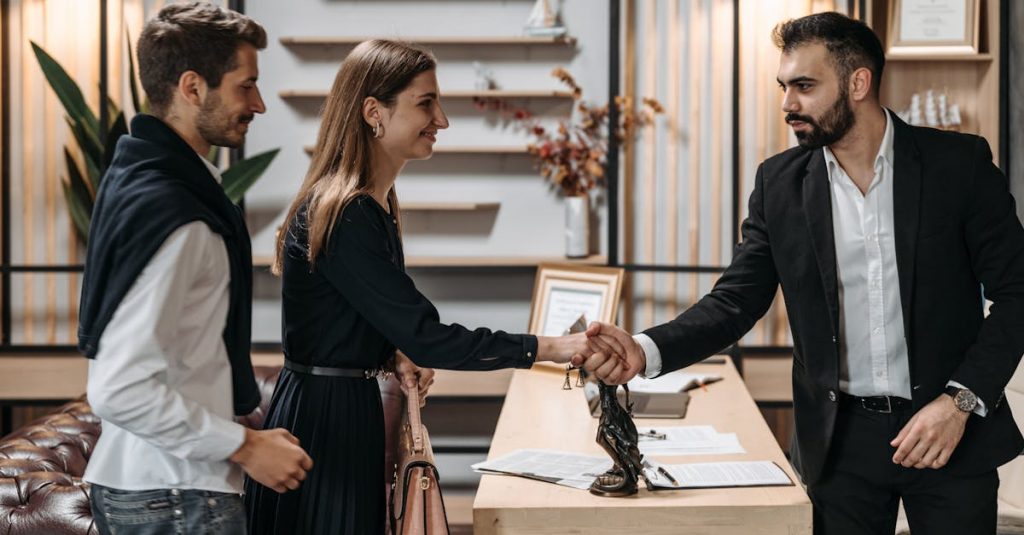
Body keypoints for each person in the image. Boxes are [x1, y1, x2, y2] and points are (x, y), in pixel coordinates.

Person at [576, 11, 1024, 535]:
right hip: (839, 443)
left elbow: (1017, 293)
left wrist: (960, 400)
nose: (788, 103)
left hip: (950, 429)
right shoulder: (779, 184)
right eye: (784, 86)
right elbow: (735, 302)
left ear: (859, 82)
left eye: (805, 86)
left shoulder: (960, 165)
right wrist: (645, 349)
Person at [242, 39, 594, 534]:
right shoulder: (349, 213)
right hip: (325, 426)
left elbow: (351, 317)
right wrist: (556, 346)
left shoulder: (373, 206)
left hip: (343, 414)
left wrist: (390, 351)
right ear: (373, 113)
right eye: (425, 103)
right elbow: (428, 335)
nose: (442, 120)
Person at [78, 3, 312, 534]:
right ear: (192, 87)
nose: (258, 103)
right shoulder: (181, 216)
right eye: (244, 85)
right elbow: (118, 388)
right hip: (176, 496)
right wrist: (247, 446)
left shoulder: (137, 179)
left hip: (159, 486)